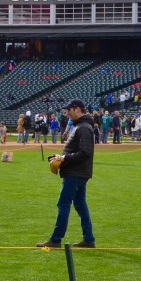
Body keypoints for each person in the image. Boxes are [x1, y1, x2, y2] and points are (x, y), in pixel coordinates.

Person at [37, 99, 96, 249]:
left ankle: (56, 239)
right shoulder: (81, 126)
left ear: (77, 109)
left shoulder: (83, 127)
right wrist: (60, 157)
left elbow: (85, 153)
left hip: (75, 174)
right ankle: (88, 239)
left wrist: (64, 158)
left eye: (68, 110)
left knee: (63, 204)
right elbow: (78, 151)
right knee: (80, 205)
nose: (67, 113)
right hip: (78, 172)